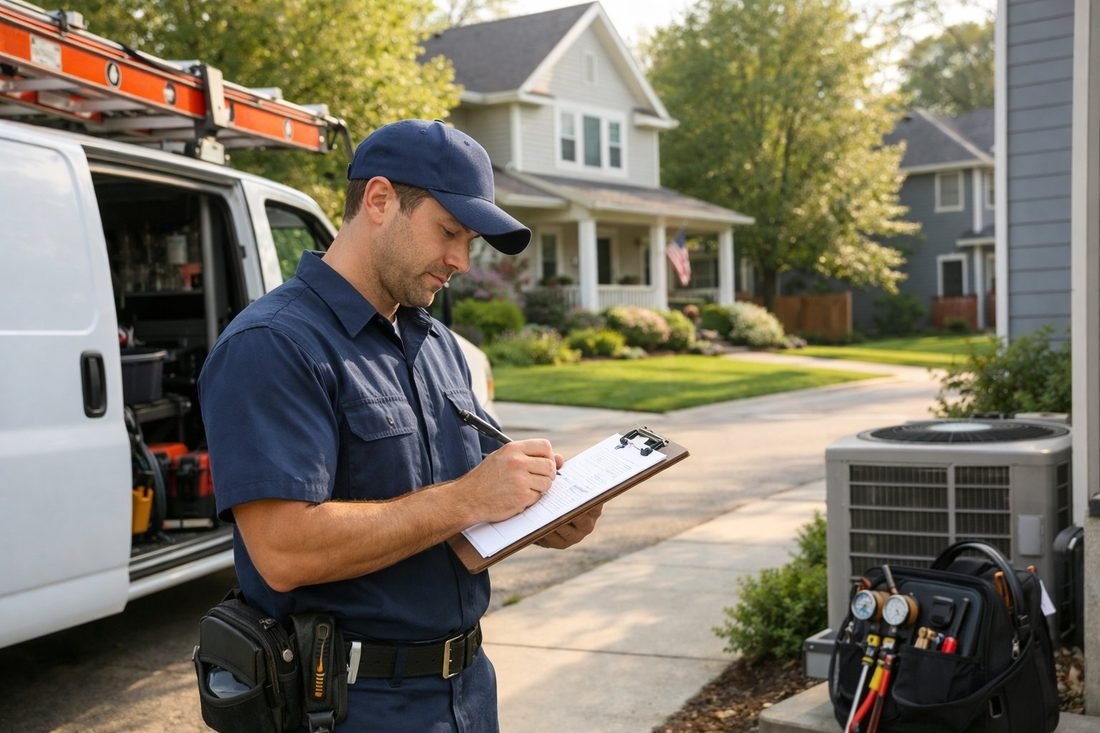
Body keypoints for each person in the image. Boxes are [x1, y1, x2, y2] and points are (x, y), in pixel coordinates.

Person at [198, 119, 602, 732]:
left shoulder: (435, 340)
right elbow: (282, 550)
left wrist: (543, 513)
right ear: (380, 200)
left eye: (470, 241)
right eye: (449, 232)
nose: (462, 261)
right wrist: (468, 498)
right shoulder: (273, 345)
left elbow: (463, 501)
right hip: (347, 706)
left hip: (466, 691)